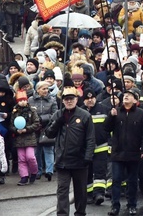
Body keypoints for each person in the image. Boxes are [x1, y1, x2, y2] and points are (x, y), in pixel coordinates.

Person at [44, 79, 96, 216]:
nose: (69, 101)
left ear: (76, 99)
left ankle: (80, 212)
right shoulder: (58, 115)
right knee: (62, 190)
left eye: (71, 98)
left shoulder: (85, 116)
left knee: (81, 191)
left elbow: (90, 138)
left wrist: (88, 156)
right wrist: (57, 122)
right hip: (62, 161)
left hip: (80, 160)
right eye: (66, 99)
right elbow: (49, 133)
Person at [106, 88, 143, 216]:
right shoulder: (116, 112)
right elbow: (106, 128)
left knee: (132, 181)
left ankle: (132, 205)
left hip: (134, 153)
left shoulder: (142, 114)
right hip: (118, 153)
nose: (126, 97)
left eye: (129, 95)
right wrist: (111, 116)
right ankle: (115, 206)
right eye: (124, 95)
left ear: (135, 100)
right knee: (116, 180)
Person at [11, 89, 41, 186]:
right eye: (20, 100)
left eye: (24, 100)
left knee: (30, 157)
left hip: (30, 138)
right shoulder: (14, 112)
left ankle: (33, 172)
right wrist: (16, 130)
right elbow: (11, 125)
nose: (22, 102)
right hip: (19, 139)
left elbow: (36, 123)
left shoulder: (32, 111)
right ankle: (24, 176)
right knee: (22, 159)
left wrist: (27, 129)